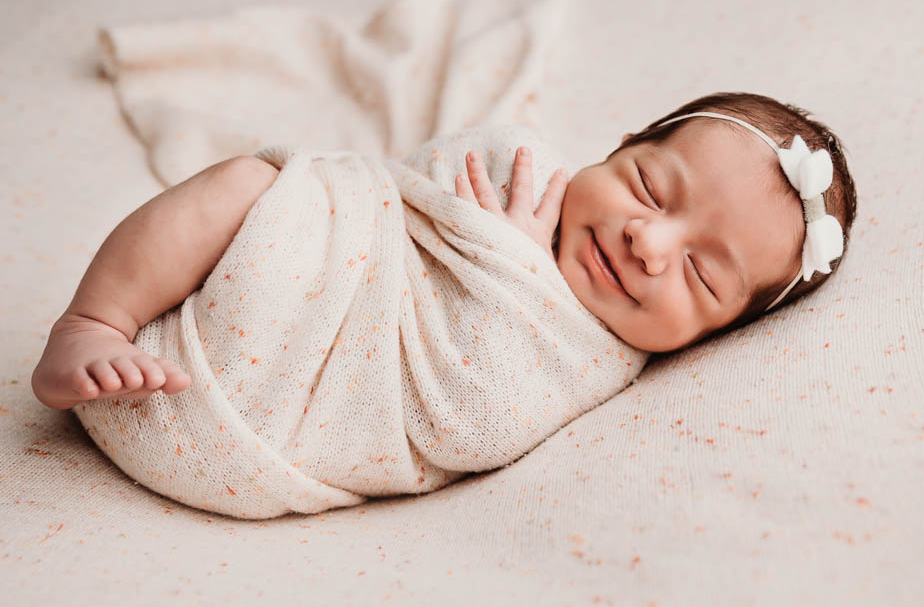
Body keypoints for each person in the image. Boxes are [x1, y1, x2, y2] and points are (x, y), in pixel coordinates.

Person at [31, 91, 857, 411]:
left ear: (714, 336)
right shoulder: (517, 162)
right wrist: (491, 224)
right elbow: (393, 189)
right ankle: (97, 319)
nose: (648, 241)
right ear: (618, 144)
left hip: (266, 408)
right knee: (252, 182)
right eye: (646, 185)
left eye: (701, 273)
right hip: (285, 269)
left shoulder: (595, 366)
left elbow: (475, 420)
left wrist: (516, 270)